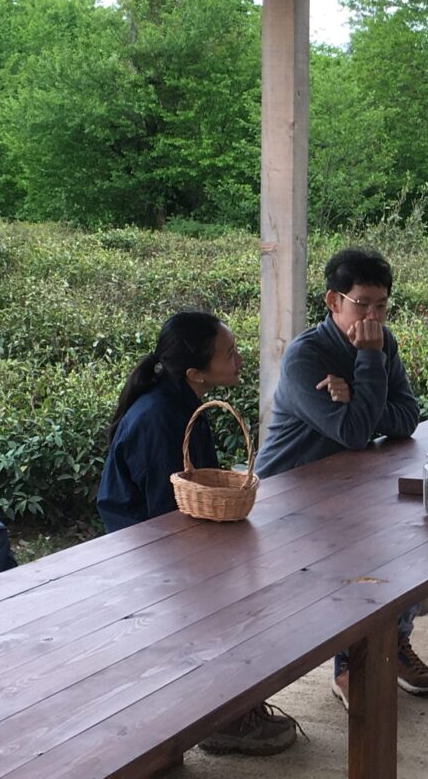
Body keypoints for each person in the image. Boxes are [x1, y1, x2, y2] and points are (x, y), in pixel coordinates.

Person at [98, 311, 299, 757]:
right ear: (196, 373)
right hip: (141, 550)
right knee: (232, 599)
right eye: (229, 353)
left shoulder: (186, 403)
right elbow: (161, 518)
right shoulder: (160, 418)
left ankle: (228, 707)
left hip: (169, 536)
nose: (239, 358)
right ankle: (219, 718)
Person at [255, 248, 428, 710]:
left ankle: (392, 645)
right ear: (333, 301)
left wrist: (358, 392)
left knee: (414, 539)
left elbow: (405, 419)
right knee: (368, 552)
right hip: (289, 495)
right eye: (362, 304)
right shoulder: (306, 356)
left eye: (381, 305)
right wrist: (367, 366)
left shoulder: (384, 343)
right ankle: (353, 666)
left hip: (351, 486)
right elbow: (356, 432)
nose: (373, 316)